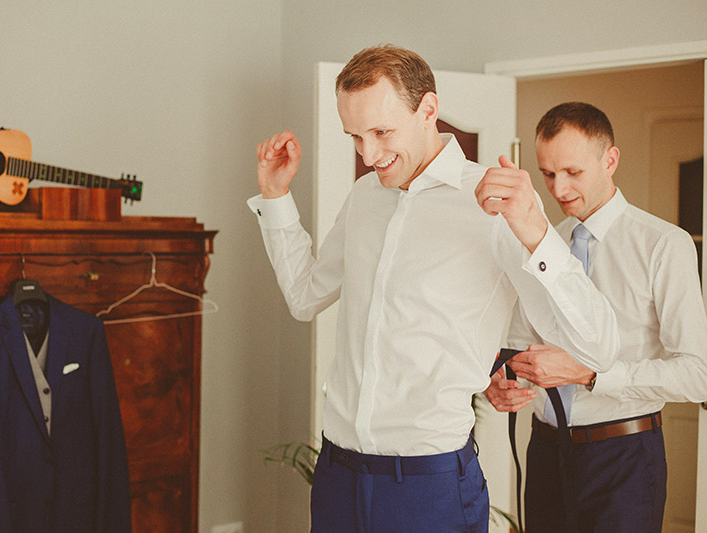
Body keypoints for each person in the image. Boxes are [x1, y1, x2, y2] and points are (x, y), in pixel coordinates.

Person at [248, 46, 619, 531]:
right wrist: (275, 196)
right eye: (355, 137)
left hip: (429, 486)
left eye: (382, 132)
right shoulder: (364, 197)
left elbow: (598, 346)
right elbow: (304, 296)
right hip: (337, 474)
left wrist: (536, 231)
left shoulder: (496, 207)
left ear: (428, 110)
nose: (368, 155)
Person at [485, 101, 707, 532]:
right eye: (548, 174)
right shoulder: (543, 245)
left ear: (610, 160)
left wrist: (589, 375)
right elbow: (521, 343)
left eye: (573, 172)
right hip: (545, 452)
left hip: (623, 459)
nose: (559, 188)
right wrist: (506, 382)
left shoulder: (665, 245)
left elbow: (697, 374)